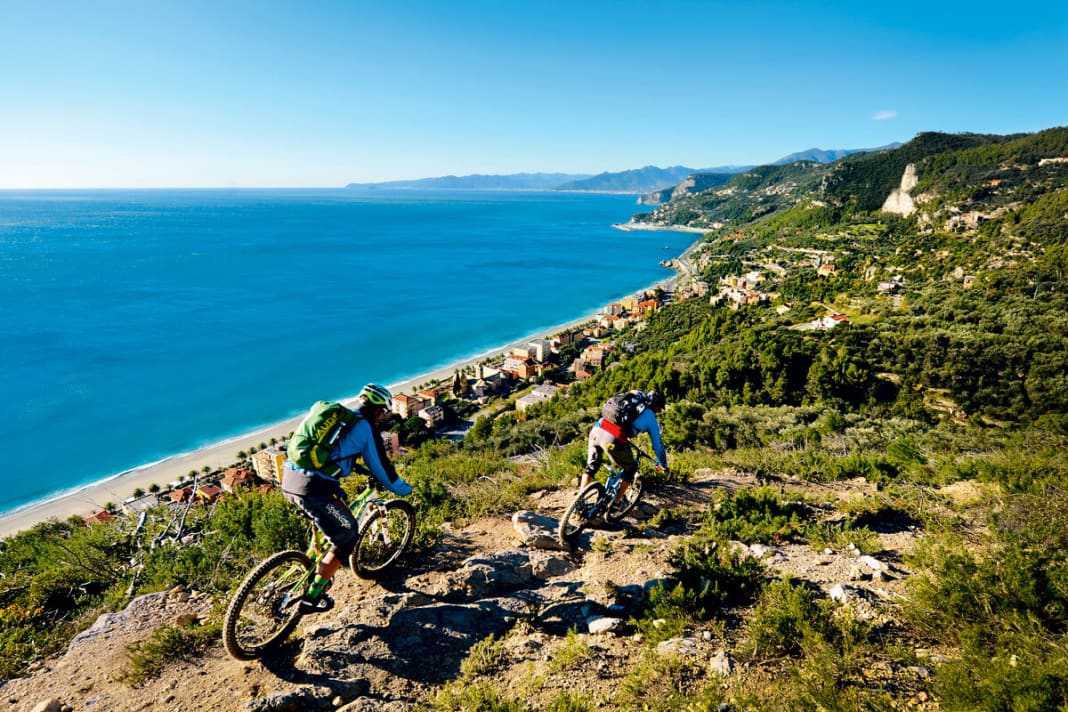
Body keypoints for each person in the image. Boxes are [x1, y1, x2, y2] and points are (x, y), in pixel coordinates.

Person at [281, 383, 413, 613]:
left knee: (334, 506)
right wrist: (403, 489)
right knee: (348, 535)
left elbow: (337, 455)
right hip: (314, 488)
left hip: (290, 479)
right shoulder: (365, 428)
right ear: (378, 409)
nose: (383, 417)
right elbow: (382, 467)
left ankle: (314, 563)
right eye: (384, 412)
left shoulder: (345, 419)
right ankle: (311, 598)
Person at [580, 390, 668, 508]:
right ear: (655, 405)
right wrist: (663, 464)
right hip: (613, 438)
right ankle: (616, 502)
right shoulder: (650, 416)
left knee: (591, 467)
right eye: (658, 409)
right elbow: (658, 445)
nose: (658, 412)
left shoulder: (633, 397)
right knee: (631, 468)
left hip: (597, 429)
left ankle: (578, 502)